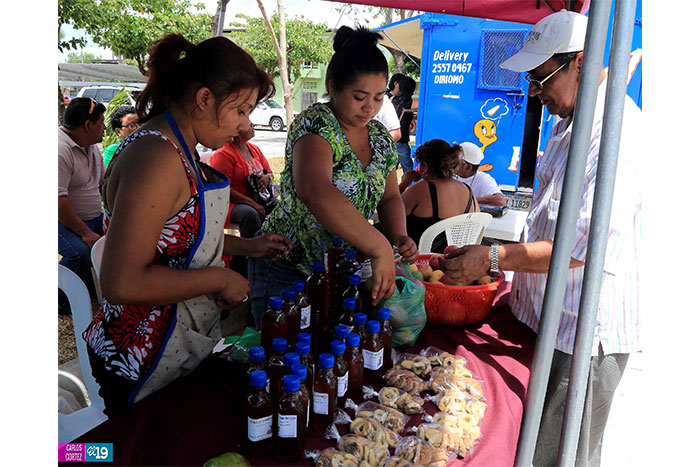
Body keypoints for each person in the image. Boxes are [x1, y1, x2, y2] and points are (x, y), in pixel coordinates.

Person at [440, 11, 641, 466]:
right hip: (551, 320)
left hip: (582, 333)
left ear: (582, 63)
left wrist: (494, 255)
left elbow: (580, 248)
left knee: (562, 453)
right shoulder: (569, 120)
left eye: (541, 75)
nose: (535, 90)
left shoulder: (615, 134)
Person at [82, 33, 292, 416]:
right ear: (204, 99)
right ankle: (66, 454)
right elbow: (121, 282)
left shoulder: (180, 147)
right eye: (241, 110)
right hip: (139, 354)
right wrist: (219, 279)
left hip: (174, 342)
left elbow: (173, 237)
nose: (245, 126)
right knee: (121, 453)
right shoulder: (158, 156)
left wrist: (247, 247)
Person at [249, 26, 419, 327]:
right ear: (334, 87)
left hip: (342, 268)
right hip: (289, 264)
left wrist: (398, 238)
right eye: (359, 96)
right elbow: (314, 188)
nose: (370, 107)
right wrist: (377, 245)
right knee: (283, 354)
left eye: (379, 98)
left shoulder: (380, 136)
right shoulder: (316, 123)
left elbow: (390, 196)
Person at [58, 97, 107, 298]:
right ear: (88, 125)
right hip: (61, 220)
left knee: (115, 243)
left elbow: (105, 183)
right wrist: (85, 232)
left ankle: (88, 287)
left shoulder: (91, 145)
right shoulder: (60, 151)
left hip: (92, 217)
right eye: (101, 122)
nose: (105, 127)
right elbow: (57, 202)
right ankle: (60, 296)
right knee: (81, 252)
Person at [400, 139, 478, 252]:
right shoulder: (468, 191)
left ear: (425, 166)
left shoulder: (422, 189)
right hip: (456, 258)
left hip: (422, 260)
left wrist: (404, 184)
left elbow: (390, 212)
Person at [209, 121, 278, 238]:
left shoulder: (254, 149)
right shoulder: (224, 155)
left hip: (259, 198)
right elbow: (222, 189)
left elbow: (270, 172)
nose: (253, 126)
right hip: (232, 203)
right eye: (249, 124)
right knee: (250, 214)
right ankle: (251, 251)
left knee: (281, 209)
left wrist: (267, 178)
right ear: (237, 132)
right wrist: (252, 204)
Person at [454, 141, 506, 207]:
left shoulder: (483, 178)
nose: (452, 162)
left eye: (457, 161)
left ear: (468, 167)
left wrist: (470, 200)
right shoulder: (451, 174)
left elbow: (500, 201)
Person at [392, 76, 417, 173]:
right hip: (401, 140)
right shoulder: (410, 103)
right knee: (408, 169)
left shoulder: (393, 99)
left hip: (391, 137)